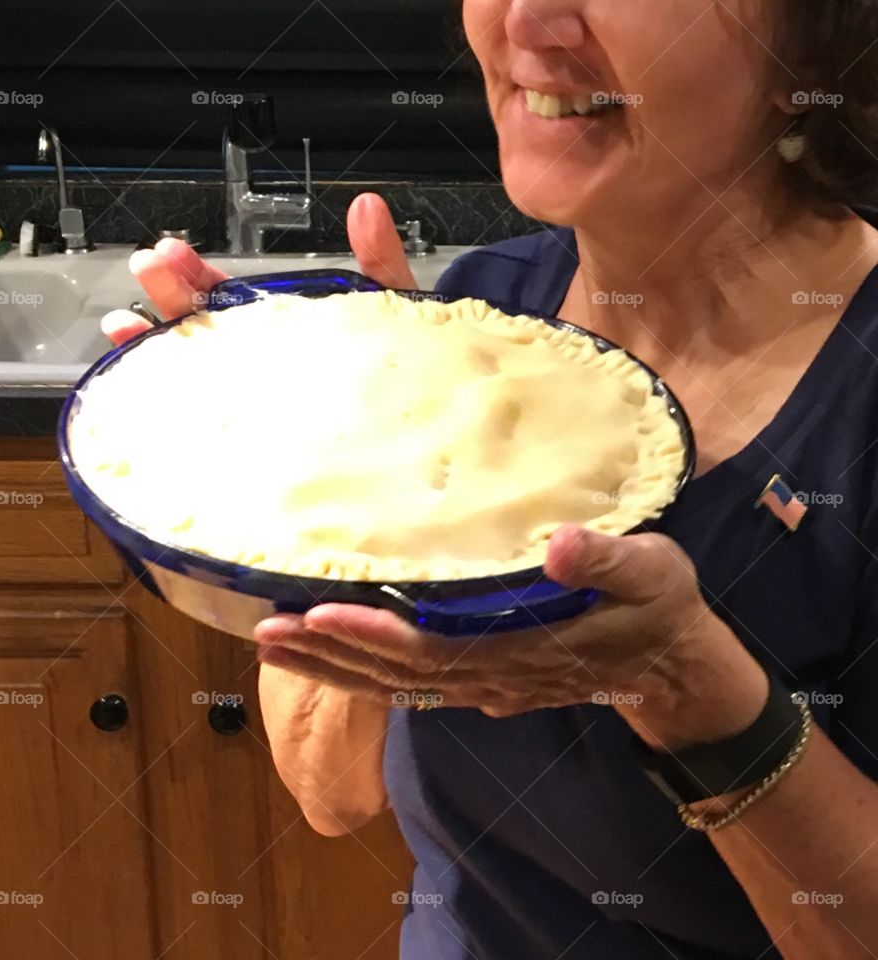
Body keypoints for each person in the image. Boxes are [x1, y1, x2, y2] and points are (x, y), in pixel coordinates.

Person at [102, 1, 878, 956]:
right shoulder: (488, 310)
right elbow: (331, 791)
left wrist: (680, 678)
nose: (528, 19)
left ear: (815, 40)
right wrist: (359, 470)